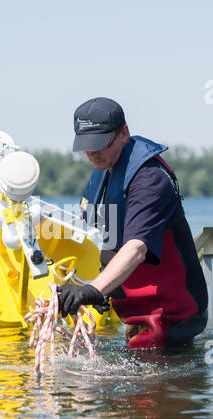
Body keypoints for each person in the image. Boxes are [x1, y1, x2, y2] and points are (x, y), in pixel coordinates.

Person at [57, 97, 208, 349]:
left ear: (123, 133)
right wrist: (105, 286)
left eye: (99, 143)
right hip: (138, 311)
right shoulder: (106, 167)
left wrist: (93, 289)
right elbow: (111, 236)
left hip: (171, 314)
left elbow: (137, 248)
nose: (92, 153)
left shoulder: (149, 178)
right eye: (86, 145)